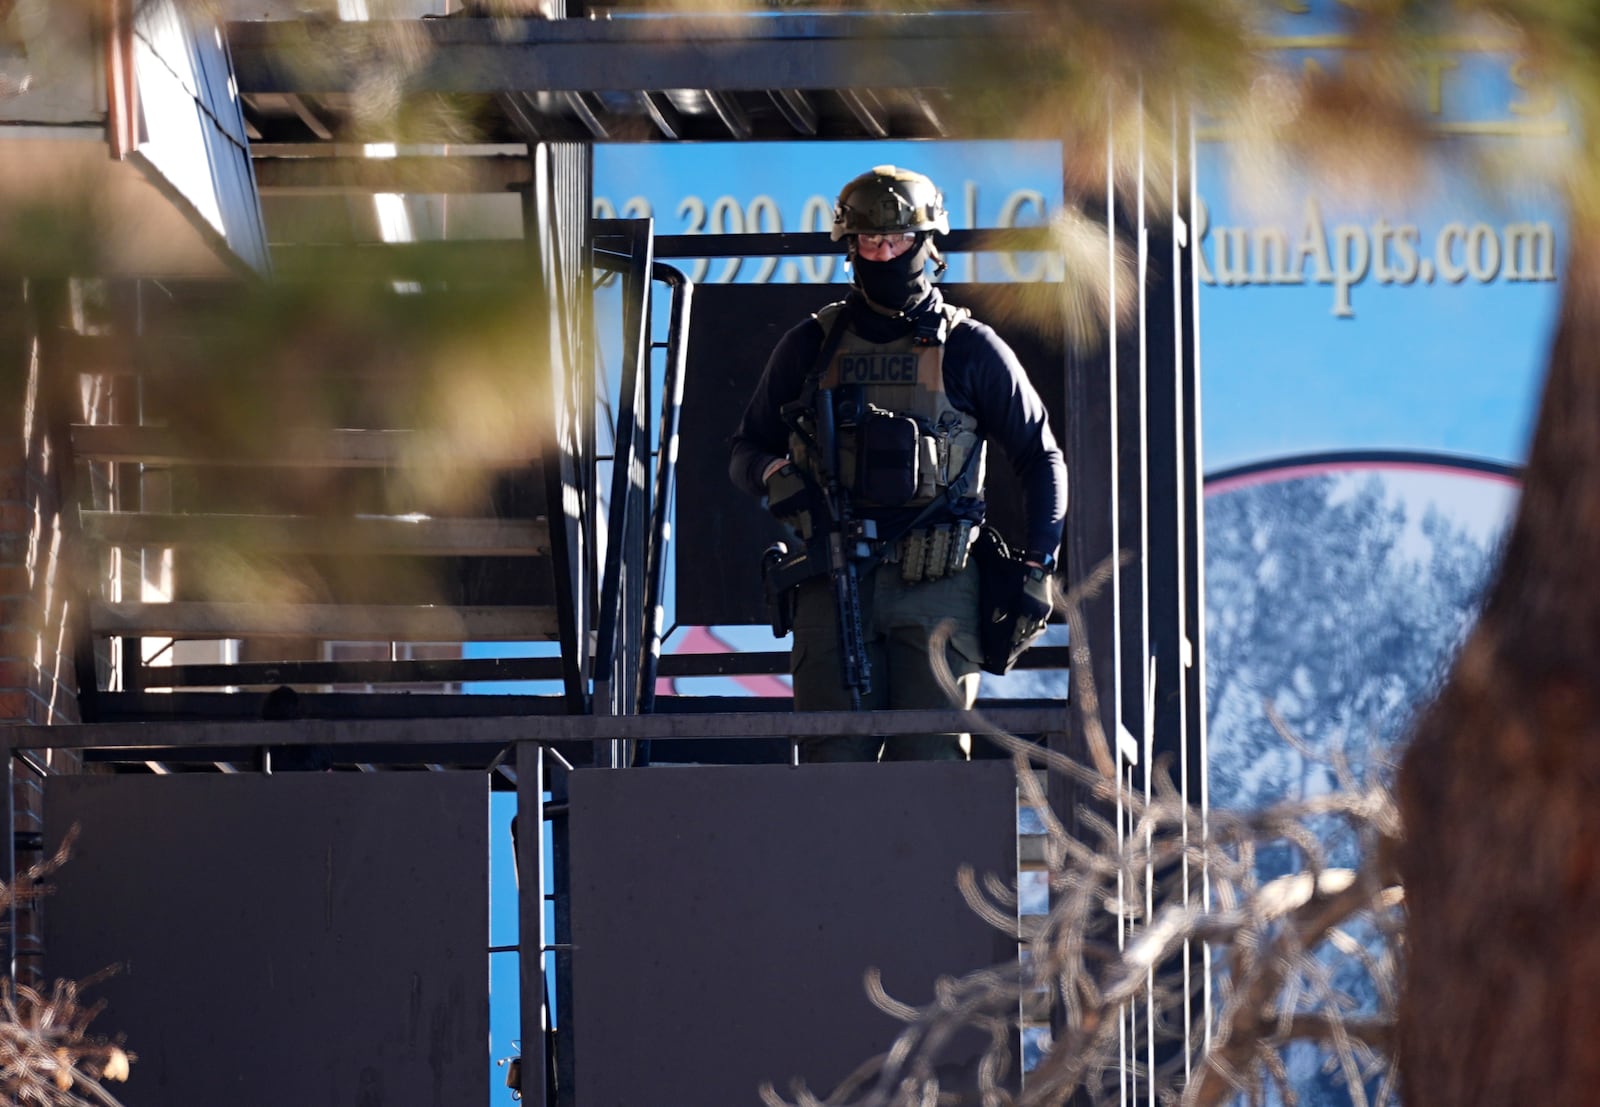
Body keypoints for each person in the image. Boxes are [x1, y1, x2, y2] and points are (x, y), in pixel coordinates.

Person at [728, 165, 1068, 762]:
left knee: (934, 772)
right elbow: (746, 449)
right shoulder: (811, 345)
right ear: (849, 246)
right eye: (869, 242)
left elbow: (1040, 457)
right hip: (831, 583)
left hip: (937, 589)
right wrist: (777, 477)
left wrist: (1038, 565)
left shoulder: (970, 348)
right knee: (832, 775)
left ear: (926, 243)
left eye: (899, 241)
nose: (884, 254)